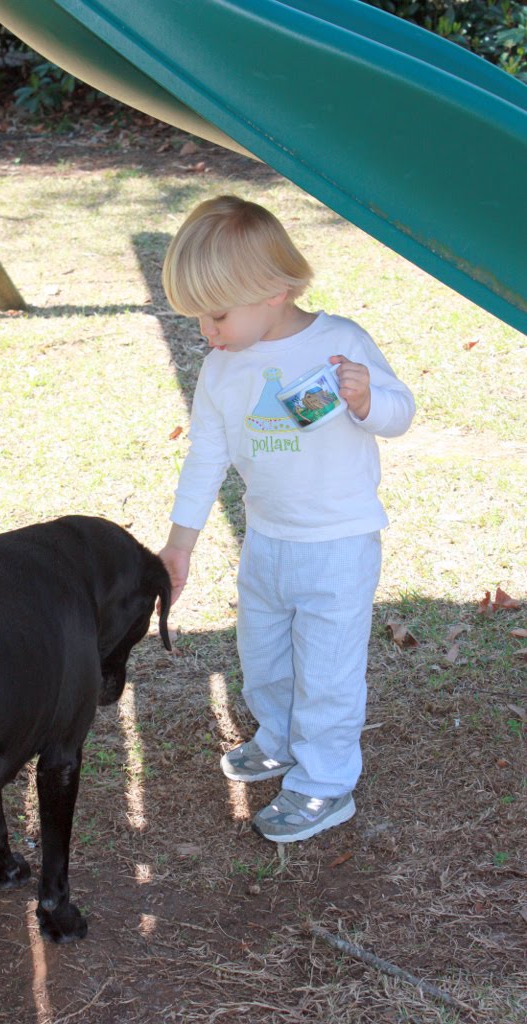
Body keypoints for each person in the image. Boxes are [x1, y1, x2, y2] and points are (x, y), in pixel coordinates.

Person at [158, 195, 415, 844]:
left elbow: (400, 412)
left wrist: (364, 399)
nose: (204, 333)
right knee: (264, 657)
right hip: (266, 542)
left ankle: (326, 784)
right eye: (195, 319)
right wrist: (178, 545)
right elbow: (205, 458)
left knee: (327, 670)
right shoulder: (220, 370)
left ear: (272, 291)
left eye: (214, 315)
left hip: (337, 545)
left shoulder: (339, 342)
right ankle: (278, 738)